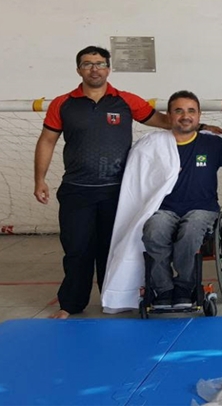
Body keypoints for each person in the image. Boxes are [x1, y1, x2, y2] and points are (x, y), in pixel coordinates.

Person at [33, 46, 173, 319]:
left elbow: (164, 122)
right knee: (77, 250)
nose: (94, 69)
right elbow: (47, 141)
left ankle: (116, 300)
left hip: (118, 193)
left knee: (115, 250)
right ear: (79, 70)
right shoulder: (62, 104)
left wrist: (200, 128)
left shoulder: (126, 101)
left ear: (109, 69)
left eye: (99, 63)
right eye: (87, 64)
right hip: (76, 192)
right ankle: (71, 304)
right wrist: (39, 180)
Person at [140, 91, 222, 308]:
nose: (185, 116)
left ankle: (185, 286)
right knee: (153, 230)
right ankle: (163, 289)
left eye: (191, 111)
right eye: (178, 111)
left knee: (190, 231)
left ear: (199, 116)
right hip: (165, 208)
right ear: (169, 115)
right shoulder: (153, 145)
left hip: (203, 208)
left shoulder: (213, 144)